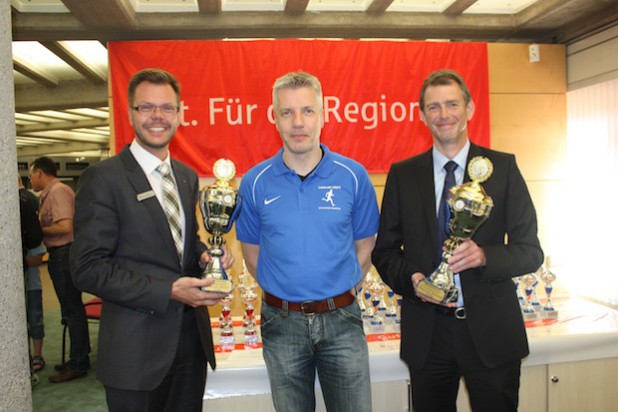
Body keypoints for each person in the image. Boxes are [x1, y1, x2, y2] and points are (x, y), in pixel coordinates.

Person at [372, 69, 544, 412]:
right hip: (428, 334)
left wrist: (485, 256)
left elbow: (530, 251)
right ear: (421, 115)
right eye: (433, 107)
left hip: (492, 334)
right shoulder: (403, 174)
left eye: (452, 104)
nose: (443, 114)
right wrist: (414, 281)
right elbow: (385, 252)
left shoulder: (502, 168)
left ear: (470, 108)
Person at [70, 68, 233, 412]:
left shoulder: (186, 177)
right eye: (146, 107)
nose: (157, 117)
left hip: (190, 347)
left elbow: (181, 247)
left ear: (180, 114)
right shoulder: (103, 179)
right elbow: (87, 269)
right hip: (135, 356)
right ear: (131, 113)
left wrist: (205, 256)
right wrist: (167, 290)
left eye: (166, 108)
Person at [236, 71, 379, 412]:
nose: (297, 122)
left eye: (307, 111)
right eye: (287, 112)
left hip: (342, 319)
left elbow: (366, 247)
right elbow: (252, 256)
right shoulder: (254, 182)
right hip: (280, 322)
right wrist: (289, 293)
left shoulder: (354, 176)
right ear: (275, 117)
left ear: (324, 113)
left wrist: (337, 292)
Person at [29, 156, 91, 383]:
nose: (30, 181)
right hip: (60, 255)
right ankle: (78, 357)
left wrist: (39, 231)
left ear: (40, 173)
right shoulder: (53, 193)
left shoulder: (57, 192)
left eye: (31, 175)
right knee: (70, 309)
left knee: (72, 310)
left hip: (65, 254)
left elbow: (66, 225)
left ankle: (78, 363)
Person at [19, 176, 47, 374]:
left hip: (31, 280)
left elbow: (38, 256)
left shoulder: (26, 203)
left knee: (34, 318)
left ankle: (37, 355)